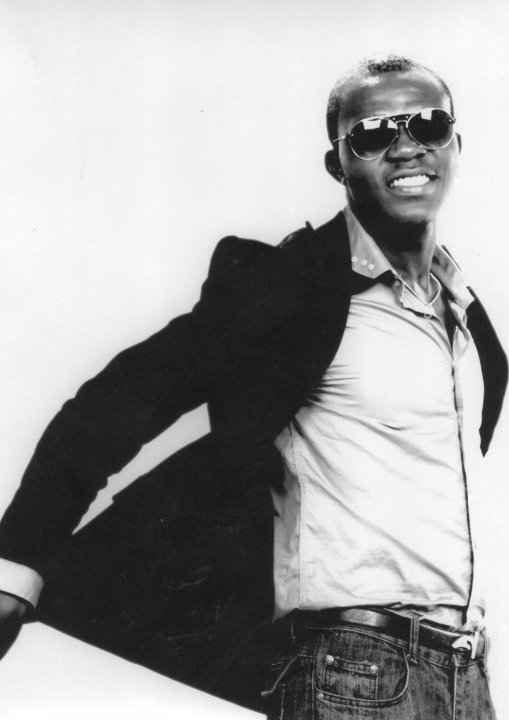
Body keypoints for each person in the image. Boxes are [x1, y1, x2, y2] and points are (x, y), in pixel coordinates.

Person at [0, 54, 506, 719]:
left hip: (467, 676)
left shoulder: (464, 317)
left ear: (455, 145)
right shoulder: (291, 288)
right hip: (355, 672)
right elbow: (119, 399)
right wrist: (16, 564)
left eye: (428, 124)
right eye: (373, 133)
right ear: (337, 165)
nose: (406, 146)